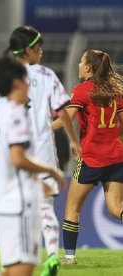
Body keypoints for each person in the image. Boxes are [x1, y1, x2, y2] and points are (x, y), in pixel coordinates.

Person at [0, 26, 80, 276]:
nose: (42, 51)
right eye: (39, 47)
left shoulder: (4, 80)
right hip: (41, 147)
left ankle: (28, 256)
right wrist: (73, 140)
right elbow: (62, 110)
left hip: (9, 158)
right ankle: (51, 255)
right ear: (29, 50)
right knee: (45, 205)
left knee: (16, 266)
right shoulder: (46, 75)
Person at [0, 56, 66, 276]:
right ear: (16, 82)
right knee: (21, 272)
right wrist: (50, 171)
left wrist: (29, 182)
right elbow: (18, 158)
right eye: (27, 80)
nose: (29, 85)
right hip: (21, 207)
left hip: (0, 205)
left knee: (13, 272)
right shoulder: (18, 114)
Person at [52, 50, 123, 265]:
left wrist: (40, 127)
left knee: (72, 208)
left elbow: (66, 120)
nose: (79, 65)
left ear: (88, 68)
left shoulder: (82, 91)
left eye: (81, 61)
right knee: (116, 208)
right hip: (116, 156)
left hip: (91, 157)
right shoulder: (116, 91)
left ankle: (70, 257)